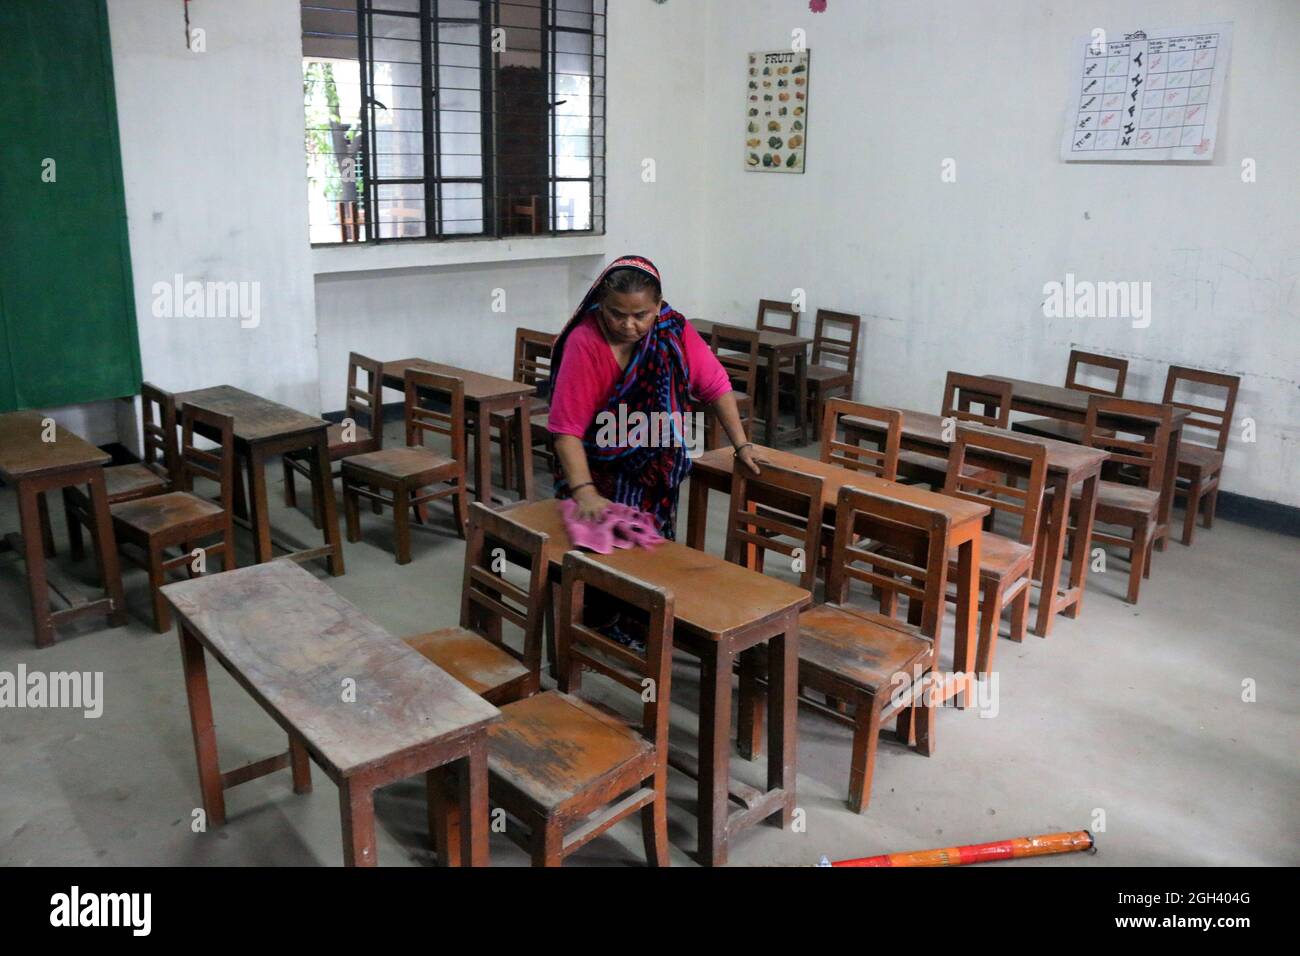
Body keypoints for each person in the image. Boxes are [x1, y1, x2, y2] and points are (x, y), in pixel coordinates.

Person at [547, 255, 760, 541]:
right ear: (600, 304)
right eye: (616, 314)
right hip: (595, 475)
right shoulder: (585, 342)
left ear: (658, 306)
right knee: (598, 567)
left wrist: (742, 444)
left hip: (652, 480)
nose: (628, 325)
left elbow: (716, 386)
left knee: (650, 564)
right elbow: (566, 431)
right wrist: (585, 491)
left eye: (640, 315)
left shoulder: (672, 332)